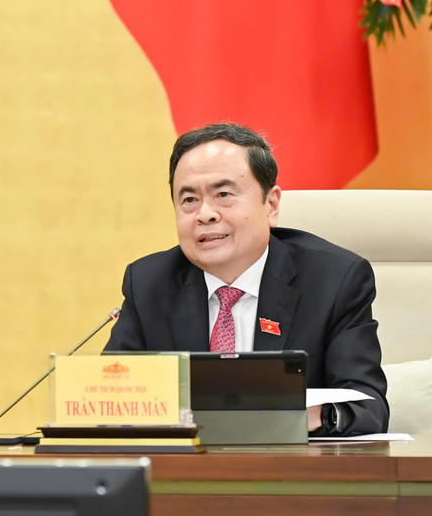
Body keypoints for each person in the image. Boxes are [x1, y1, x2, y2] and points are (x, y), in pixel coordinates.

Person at [103, 122, 388, 435]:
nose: (205, 214)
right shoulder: (149, 284)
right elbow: (110, 399)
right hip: (185, 462)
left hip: (290, 461)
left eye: (223, 194)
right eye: (189, 200)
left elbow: (368, 408)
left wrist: (304, 417)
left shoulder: (333, 281)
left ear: (271, 205)